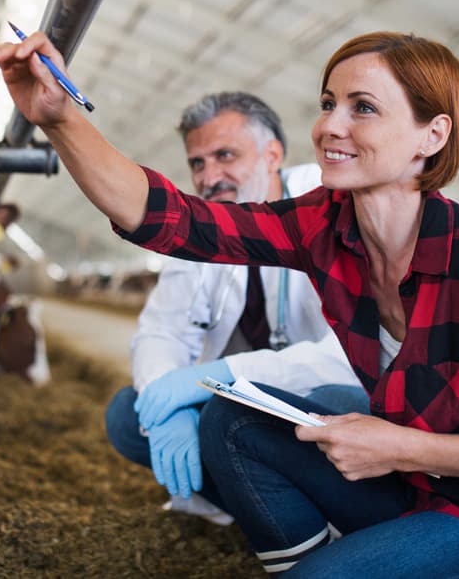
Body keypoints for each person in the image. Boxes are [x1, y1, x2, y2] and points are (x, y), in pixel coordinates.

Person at [0, 30, 459, 576]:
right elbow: (175, 219)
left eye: (363, 108)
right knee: (229, 420)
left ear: (432, 135)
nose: (329, 126)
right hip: (407, 486)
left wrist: (401, 448)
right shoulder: (326, 222)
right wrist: (59, 118)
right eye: (328, 104)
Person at [104, 91, 366, 526]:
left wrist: (223, 377)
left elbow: (352, 355)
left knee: (337, 399)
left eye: (225, 155)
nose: (210, 177)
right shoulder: (199, 228)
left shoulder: (333, 209)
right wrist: (173, 404)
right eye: (198, 163)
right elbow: (161, 331)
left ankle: (323, 519)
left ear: (273, 154)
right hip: (240, 406)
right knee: (129, 414)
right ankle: (266, 515)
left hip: (313, 404)